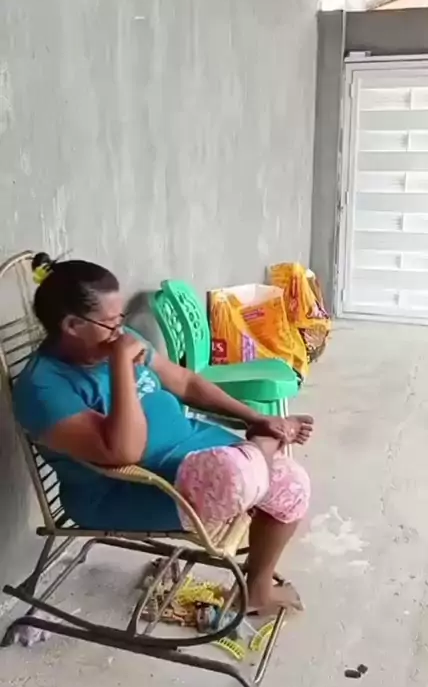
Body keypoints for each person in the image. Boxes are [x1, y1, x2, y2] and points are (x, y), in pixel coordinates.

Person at [13, 254, 313, 613]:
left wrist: (256, 418)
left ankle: (258, 588)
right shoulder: (43, 389)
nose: (121, 330)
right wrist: (121, 365)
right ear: (73, 325)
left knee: (293, 486)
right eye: (110, 322)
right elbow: (123, 452)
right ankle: (259, 451)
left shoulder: (119, 339)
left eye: (121, 318)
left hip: (193, 454)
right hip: (131, 489)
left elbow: (186, 382)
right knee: (239, 478)